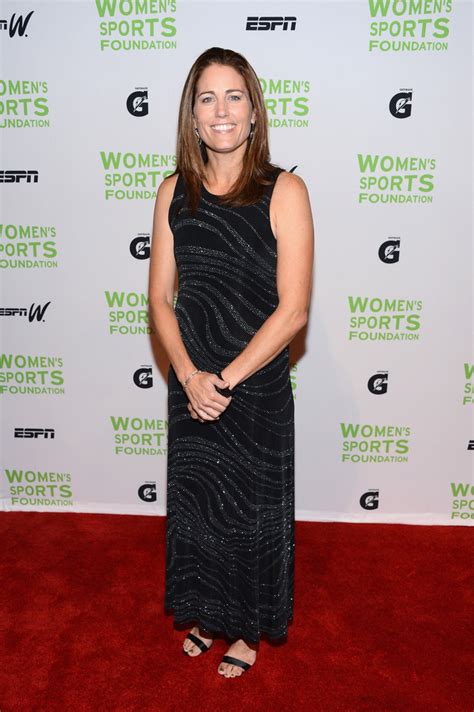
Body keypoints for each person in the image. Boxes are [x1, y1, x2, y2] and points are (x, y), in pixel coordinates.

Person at [148, 47, 314, 679]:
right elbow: (160, 298)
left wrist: (227, 379)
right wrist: (190, 376)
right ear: (193, 115)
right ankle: (205, 611)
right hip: (191, 381)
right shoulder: (172, 191)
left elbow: (294, 310)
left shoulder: (286, 191)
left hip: (253, 384)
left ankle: (246, 627)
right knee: (198, 504)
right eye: (207, 98)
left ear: (253, 112)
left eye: (234, 96)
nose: (221, 110)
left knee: (249, 510)